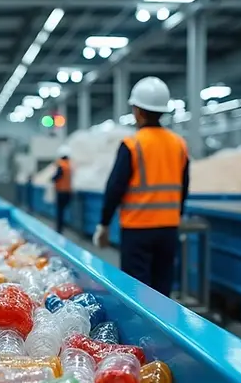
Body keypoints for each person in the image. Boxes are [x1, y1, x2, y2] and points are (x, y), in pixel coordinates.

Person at [92, 77, 190, 297]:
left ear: (137, 111)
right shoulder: (179, 144)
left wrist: (104, 223)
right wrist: (176, 216)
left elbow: (115, 187)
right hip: (168, 229)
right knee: (162, 289)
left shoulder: (132, 145)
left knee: (137, 291)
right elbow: (184, 187)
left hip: (137, 229)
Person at [51, 145, 73, 234]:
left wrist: (52, 179)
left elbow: (57, 176)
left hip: (61, 191)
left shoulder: (61, 165)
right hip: (68, 191)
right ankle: (63, 226)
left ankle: (59, 229)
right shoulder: (69, 165)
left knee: (60, 211)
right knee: (63, 210)